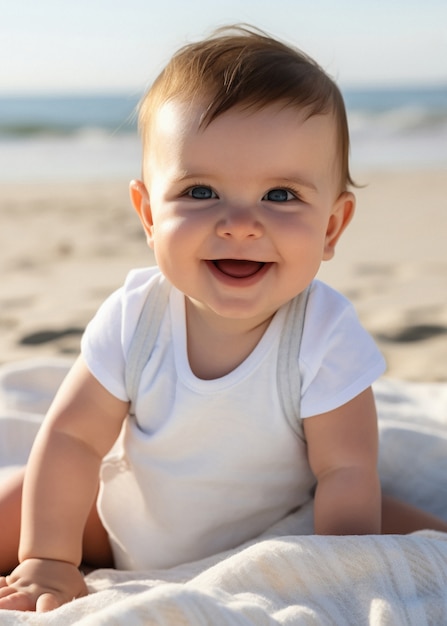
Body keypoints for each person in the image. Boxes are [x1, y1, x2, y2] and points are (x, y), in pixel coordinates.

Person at [1, 25, 446, 613]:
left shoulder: (323, 332)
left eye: (281, 195)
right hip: (121, 525)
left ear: (332, 227)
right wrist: (49, 560)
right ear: (148, 213)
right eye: (201, 190)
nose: (239, 223)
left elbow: (344, 469)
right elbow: (73, 437)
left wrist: (332, 571)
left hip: (282, 524)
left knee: (408, 536)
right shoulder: (136, 317)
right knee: (24, 497)